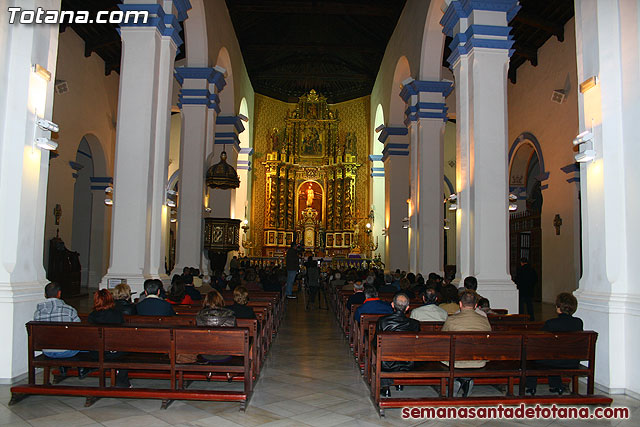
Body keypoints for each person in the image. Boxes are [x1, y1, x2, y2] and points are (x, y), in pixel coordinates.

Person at [525, 293, 583, 395]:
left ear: (558, 307)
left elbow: (539, 342)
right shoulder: (578, 322)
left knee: (534, 356)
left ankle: (531, 387)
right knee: (555, 354)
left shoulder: (551, 323)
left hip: (552, 361)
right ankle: (556, 385)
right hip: (572, 361)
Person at [442, 289, 492, 397]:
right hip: (478, 360)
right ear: (475, 305)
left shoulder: (451, 320)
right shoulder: (484, 320)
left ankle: (458, 381)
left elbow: (443, 340)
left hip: (455, 361)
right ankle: (465, 381)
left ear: (460, 304)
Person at [376, 293, 420, 397]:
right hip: (408, 361)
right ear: (408, 308)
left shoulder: (382, 321)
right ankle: (399, 383)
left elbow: (375, 343)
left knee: (382, 353)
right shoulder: (415, 324)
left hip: (387, 362)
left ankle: (386, 387)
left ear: (392, 305)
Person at [87, 289, 130, 387]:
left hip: (96, 352)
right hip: (113, 352)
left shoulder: (92, 316)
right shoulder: (117, 315)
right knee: (126, 353)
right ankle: (122, 381)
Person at [33, 282, 81, 360]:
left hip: (46, 350)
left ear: (45, 294)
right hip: (67, 350)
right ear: (59, 294)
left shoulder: (38, 313)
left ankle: (64, 368)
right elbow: (79, 330)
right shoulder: (69, 310)